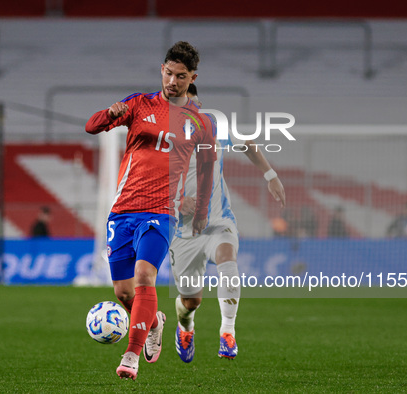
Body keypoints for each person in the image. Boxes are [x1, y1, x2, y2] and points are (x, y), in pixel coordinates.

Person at [85, 42, 216, 380]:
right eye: (169, 73)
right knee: (123, 292)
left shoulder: (199, 122)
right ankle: (154, 320)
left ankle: (131, 356)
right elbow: (92, 126)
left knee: (145, 277)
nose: (173, 81)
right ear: (162, 70)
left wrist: (200, 209)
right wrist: (109, 115)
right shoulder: (139, 103)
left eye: (181, 76)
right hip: (123, 209)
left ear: (192, 78)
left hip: (161, 212)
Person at [170, 84, 286, 362]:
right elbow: (148, 182)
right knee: (190, 301)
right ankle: (185, 327)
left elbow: (247, 145)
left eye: (195, 103)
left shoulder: (213, 127)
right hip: (181, 232)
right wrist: (177, 203)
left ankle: (228, 333)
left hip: (218, 222)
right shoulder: (165, 138)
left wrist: (270, 175)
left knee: (228, 261)